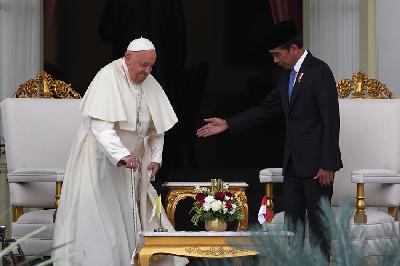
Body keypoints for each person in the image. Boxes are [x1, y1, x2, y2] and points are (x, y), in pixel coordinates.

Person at [197, 20, 342, 261]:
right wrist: (229, 123)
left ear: (294, 48)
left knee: (319, 228)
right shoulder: (286, 77)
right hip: (293, 164)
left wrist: (327, 163)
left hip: (317, 166)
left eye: (277, 54)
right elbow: (265, 109)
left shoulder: (320, 71)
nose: (275, 61)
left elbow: (331, 120)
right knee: (292, 228)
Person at [52, 38, 188, 266]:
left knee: (134, 212)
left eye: (151, 65)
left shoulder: (149, 82)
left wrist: (155, 158)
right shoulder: (107, 76)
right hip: (100, 161)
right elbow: (102, 127)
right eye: (143, 65)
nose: (147, 71)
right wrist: (121, 155)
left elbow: (156, 129)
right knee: (103, 216)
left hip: (133, 163)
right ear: (127, 58)